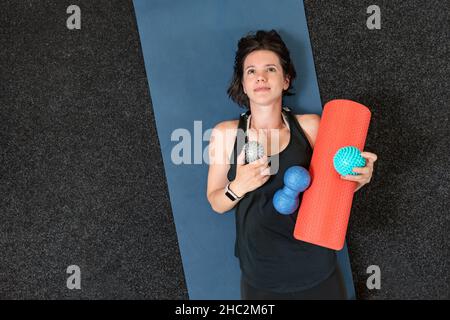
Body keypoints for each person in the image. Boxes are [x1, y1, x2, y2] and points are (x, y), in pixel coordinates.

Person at [206, 30, 377, 300]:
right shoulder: (226, 134)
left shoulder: (310, 126)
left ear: (285, 80)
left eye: (270, 69)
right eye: (251, 71)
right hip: (261, 275)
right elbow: (216, 202)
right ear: (243, 82)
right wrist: (238, 186)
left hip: (316, 266)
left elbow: (332, 191)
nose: (260, 77)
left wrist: (359, 179)